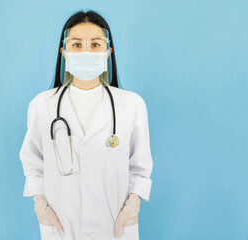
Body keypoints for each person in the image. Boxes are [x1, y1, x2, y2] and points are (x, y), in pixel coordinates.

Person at [19, 10, 153, 240]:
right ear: (64, 52)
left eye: (95, 44)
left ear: (108, 52)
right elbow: (33, 164)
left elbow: (140, 168)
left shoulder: (131, 104)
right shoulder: (42, 105)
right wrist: (42, 208)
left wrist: (132, 208)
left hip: (116, 228)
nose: (86, 51)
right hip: (61, 228)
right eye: (77, 45)